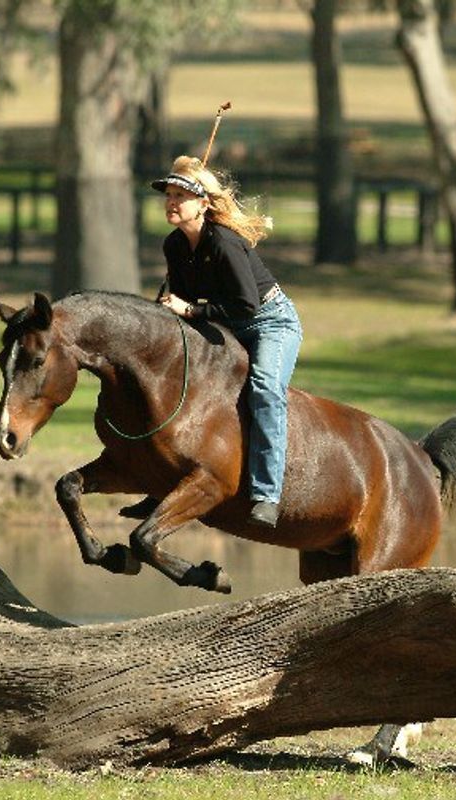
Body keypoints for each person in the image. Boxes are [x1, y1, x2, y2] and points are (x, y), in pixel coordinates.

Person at [127, 155, 302, 528]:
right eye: (168, 195)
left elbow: (245, 305)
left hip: (270, 322)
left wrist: (190, 311)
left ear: (203, 204)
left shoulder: (224, 243)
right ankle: (161, 485)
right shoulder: (174, 245)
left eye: (181, 196)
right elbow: (183, 298)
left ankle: (267, 495)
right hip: (225, 321)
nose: (171, 202)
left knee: (264, 389)